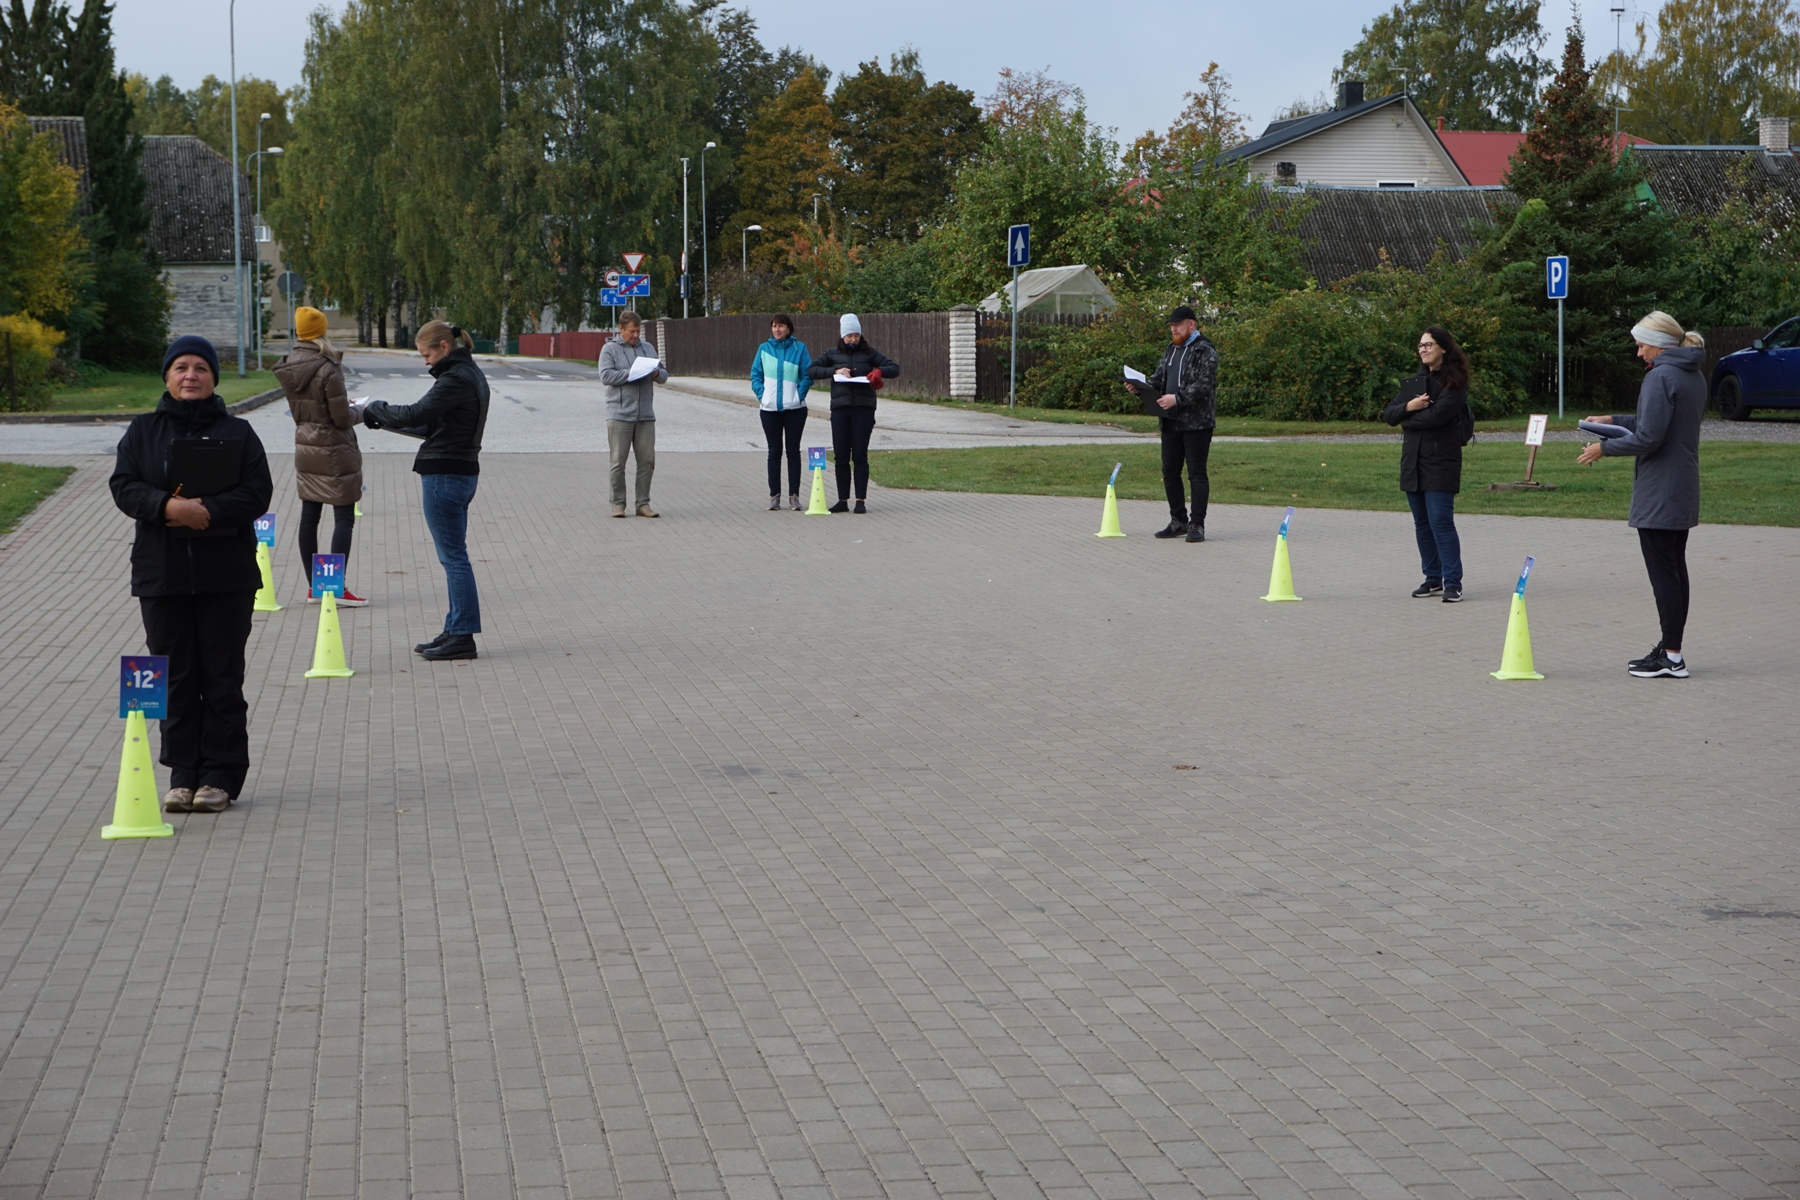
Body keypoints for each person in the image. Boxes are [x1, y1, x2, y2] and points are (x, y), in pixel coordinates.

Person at [109, 335, 274, 814]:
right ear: (167, 376)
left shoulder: (239, 432)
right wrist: (167, 506)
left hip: (226, 576)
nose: (190, 376)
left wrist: (207, 511)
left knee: (222, 677)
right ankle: (182, 775)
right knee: (175, 677)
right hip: (162, 575)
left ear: (213, 378)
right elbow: (124, 485)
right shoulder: (142, 431)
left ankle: (219, 776)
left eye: (200, 368)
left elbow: (257, 493)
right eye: (181, 367)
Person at [1577, 311, 1706, 678]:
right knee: (1675, 569)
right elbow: (1655, 423)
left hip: (1659, 490)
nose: (1638, 353)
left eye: (1641, 345)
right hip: (1682, 485)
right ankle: (1671, 648)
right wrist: (1613, 420)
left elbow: (1649, 437)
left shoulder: (1659, 376)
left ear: (1659, 345)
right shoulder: (1691, 373)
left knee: (1664, 575)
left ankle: (1672, 657)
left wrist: (1603, 448)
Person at [361, 320, 489, 661]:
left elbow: (415, 413)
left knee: (454, 558)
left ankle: (462, 636)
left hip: (445, 475)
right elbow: (430, 424)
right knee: (454, 556)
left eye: (426, 354)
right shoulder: (469, 373)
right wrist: (381, 420)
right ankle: (455, 627)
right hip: (459, 472)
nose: (426, 361)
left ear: (444, 347)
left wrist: (373, 408)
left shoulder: (455, 379)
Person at [275, 305, 366, 605]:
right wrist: (360, 411)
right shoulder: (328, 367)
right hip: (334, 449)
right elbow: (341, 418)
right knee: (344, 517)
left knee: (309, 517)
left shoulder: (290, 365)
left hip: (306, 446)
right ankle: (335, 588)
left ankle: (316, 587)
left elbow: (306, 410)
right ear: (321, 331)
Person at [1383, 326, 1471, 602]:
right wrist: (1408, 408)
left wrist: (1406, 421)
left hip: (1441, 462)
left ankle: (1453, 582)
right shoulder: (1415, 382)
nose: (1423, 349)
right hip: (1413, 463)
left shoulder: (1454, 382)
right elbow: (1389, 414)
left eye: (1429, 344)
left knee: (1441, 522)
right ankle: (1432, 579)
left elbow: (1437, 417)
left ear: (1443, 347)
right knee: (1422, 523)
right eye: (1421, 345)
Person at [1126, 305, 1217, 541]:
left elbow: (1204, 385)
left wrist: (1177, 398)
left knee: (1196, 473)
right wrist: (1140, 387)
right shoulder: (1171, 350)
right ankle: (1178, 520)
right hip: (1170, 421)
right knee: (1169, 471)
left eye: (1178, 325)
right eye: (1172, 326)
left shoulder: (1205, 350)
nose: (1174, 329)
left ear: (1191, 324)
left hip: (1197, 423)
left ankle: (1197, 524)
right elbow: (1158, 380)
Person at [809, 313, 898, 513]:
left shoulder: (869, 353)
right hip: (840, 409)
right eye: (849, 336)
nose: (853, 340)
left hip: (863, 409)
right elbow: (812, 370)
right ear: (843, 336)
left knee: (859, 455)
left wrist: (879, 372)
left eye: (856, 336)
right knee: (841, 455)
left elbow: (894, 367)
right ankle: (842, 500)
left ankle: (860, 500)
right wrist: (835, 371)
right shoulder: (831, 354)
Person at [599, 311, 667, 517]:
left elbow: (664, 375)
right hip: (619, 415)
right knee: (618, 462)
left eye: (638, 331)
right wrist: (632, 373)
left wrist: (655, 373)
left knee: (647, 461)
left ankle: (643, 504)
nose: (636, 335)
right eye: (631, 331)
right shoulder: (609, 349)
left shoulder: (648, 348)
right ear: (621, 329)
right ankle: (618, 504)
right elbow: (605, 376)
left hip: (645, 415)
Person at [750, 313, 812, 510]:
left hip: (795, 410)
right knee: (774, 452)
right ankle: (774, 496)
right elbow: (755, 375)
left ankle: (794, 496)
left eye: (781, 326)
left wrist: (798, 396)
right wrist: (763, 396)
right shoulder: (764, 349)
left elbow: (807, 375)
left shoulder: (799, 348)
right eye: (774, 326)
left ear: (788, 328)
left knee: (793, 452)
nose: (777, 329)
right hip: (770, 410)